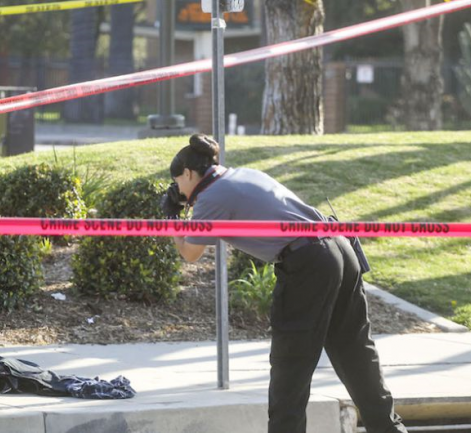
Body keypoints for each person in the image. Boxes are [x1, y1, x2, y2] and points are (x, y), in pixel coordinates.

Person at [161, 134, 407, 433]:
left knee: (290, 369)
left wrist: (172, 217)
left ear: (188, 173)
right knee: (356, 355)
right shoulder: (242, 174)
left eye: (178, 183)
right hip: (339, 247)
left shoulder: (211, 197)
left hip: (308, 264)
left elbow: (190, 253)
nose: (179, 190)